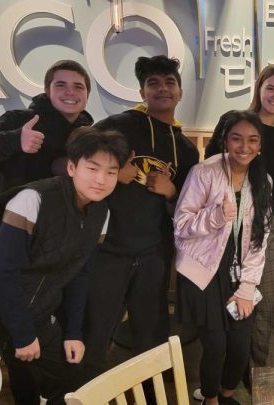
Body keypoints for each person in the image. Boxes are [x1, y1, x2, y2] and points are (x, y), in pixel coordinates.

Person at [0, 127, 129, 404]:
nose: (101, 179)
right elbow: (1, 271)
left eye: (111, 172)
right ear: (71, 167)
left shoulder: (101, 212)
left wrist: (72, 332)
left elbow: (79, 274)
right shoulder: (33, 199)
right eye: (92, 168)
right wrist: (22, 335)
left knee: (70, 382)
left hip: (33, 309)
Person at [80, 55, 200, 381]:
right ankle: (80, 395)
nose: (163, 89)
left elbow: (190, 207)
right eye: (153, 83)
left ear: (180, 92)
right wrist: (114, 172)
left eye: (169, 82)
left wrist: (171, 190)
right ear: (142, 92)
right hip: (110, 251)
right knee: (95, 332)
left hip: (154, 254)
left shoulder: (186, 150)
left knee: (152, 338)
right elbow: (79, 152)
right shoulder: (120, 125)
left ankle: (150, 395)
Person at [175, 110, 272, 405]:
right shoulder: (204, 172)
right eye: (237, 139)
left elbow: (260, 239)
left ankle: (228, 394)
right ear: (225, 141)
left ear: (259, 145)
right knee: (215, 346)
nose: (245, 147)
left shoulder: (262, 179)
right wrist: (215, 216)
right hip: (203, 273)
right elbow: (180, 225)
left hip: (238, 275)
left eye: (252, 140)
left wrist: (246, 289)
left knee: (240, 348)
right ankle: (211, 398)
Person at [205, 64, 274, 369]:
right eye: (271, 88)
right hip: (225, 222)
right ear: (259, 88)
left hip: (267, 225)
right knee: (227, 299)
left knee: (266, 302)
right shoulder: (233, 121)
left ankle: (266, 378)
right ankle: (225, 378)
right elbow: (210, 169)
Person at [0, 60, 94, 229]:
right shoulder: (19, 120)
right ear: (48, 91)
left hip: (57, 229)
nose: (70, 92)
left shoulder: (87, 134)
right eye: (61, 85)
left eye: (78, 86)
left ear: (87, 95)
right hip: (5, 226)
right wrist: (15, 140)